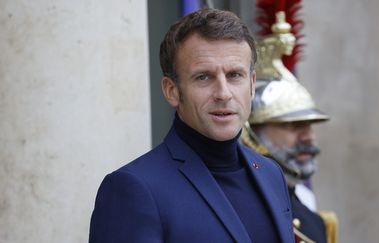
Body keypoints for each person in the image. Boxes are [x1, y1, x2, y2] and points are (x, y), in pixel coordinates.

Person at [89, 8, 295, 243]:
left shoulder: (271, 174)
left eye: (235, 75)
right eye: (203, 77)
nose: (223, 93)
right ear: (172, 91)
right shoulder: (133, 189)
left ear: (252, 83)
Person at [241, 11, 337, 243]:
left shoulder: (314, 221)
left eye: (310, 126)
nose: (309, 137)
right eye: (294, 125)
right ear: (251, 132)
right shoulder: (237, 206)